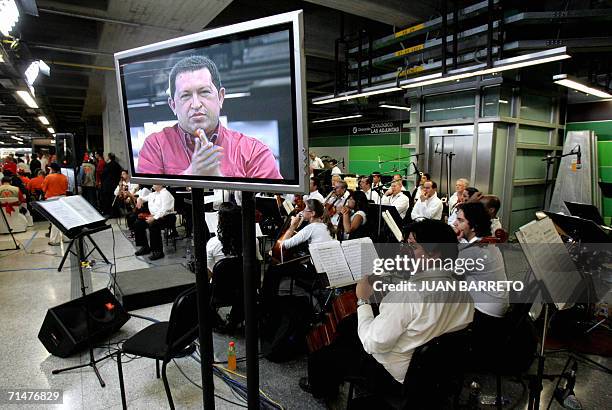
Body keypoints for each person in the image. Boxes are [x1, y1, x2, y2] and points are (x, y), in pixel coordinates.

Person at [300, 220, 474, 399]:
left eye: (413, 247)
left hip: (393, 374)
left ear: (435, 254)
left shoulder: (409, 295)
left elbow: (372, 344)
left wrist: (363, 299)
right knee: (349, 326)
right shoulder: (463, 291)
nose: (405, 252)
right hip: (434, 368)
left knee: (323, 356)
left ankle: (323, 389)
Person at [137, 55, 282, 179]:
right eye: (185, 95)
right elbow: (145, 203)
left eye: (204, 92)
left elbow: (273, 205)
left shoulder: (254, 152)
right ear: (173, 105)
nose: (195, 104)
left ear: (220, 97)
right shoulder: (155, 146)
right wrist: (190, 174)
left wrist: (222, 183)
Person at [133, 184, 175, 261]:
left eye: (154, 183)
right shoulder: (153, 194)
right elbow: (143, 198)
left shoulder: (166, 194)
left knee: (153, 225)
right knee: (138, 223)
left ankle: (158, 251)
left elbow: (164, 209)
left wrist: (154, 218)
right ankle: (145, 247)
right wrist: (139, 199)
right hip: (154, 216)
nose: (152, 185)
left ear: (160, 185)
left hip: (166, 217)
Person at [42, 163, 68, 246]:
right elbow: (66, 188)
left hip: (52, 199)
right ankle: (66, 237)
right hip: (63, 198)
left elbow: (43, 189)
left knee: (54, 220)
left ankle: (54, 240)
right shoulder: (64, 177)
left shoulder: (48, 177)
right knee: (64, 219)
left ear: (52, 169)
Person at [100, 153, 122, 217]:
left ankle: (108, 213)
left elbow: (103, 175)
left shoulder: (107, 165)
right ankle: (115, 213)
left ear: (109, 157)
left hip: (107, 185)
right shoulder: (118, 165)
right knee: (114, 199)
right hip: (115, 185)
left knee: (107, 199)